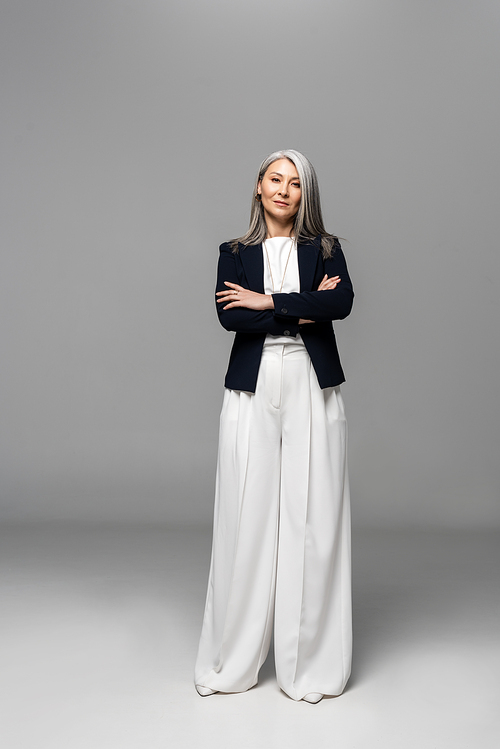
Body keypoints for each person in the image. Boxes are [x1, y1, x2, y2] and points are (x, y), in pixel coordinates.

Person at [194, 149, 354, 704]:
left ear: (305, 194)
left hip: (312, 379)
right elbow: (230, 316)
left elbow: (344, 305)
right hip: (253, 383)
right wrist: (303, 304)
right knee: (247, 511)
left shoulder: (326, 249)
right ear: (259, 186)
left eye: (296, 183)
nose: (285, 190)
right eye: (275, 179)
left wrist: (267, 300)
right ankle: (232, 660)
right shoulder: (233, 253)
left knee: (312, 516)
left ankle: (307, 664)